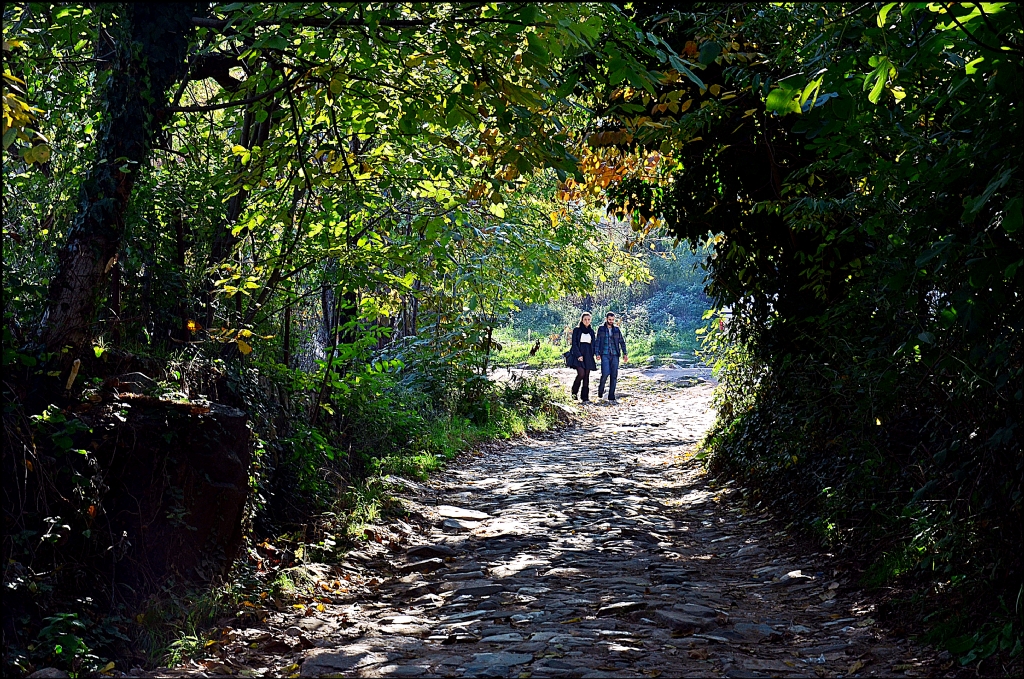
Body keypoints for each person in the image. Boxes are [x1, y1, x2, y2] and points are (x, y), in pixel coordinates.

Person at [595, 311, 628, 402]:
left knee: (614, 375)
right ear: (606, 319)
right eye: (610, 319)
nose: (611, 321)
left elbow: (622, 342)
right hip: (604, 354)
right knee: (605, 373)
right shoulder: (601, 329)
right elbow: (597, 341)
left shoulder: (616, 329)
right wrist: (597, 353)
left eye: (613, 320)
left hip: (615, 354)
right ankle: (600, 390)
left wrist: (625, 353)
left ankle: (611, 395)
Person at [569, 312, 597, 403]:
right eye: (585, 319)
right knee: (581, 374)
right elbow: (574, 344)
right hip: (579, 354)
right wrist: (578, 355)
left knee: (586, 376)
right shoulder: (577, 330)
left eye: (589, 319)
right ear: (582, 320)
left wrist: (594, 354)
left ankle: (585, 397)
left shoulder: (591, 331)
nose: (587, 321)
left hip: (588, 355)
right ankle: (574, 393)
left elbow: (593, 344)